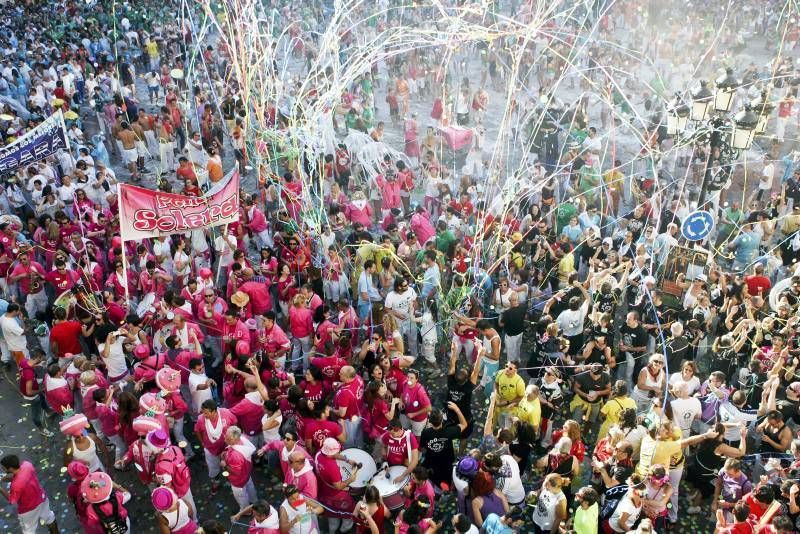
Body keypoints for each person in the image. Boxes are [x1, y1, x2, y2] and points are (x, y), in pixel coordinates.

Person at [0, 455, 58, 534]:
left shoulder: (16, 485)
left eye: (3, 467)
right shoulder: (27, 465)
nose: (2, 469)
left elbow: (12, 500)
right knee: (49, 517)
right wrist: (5, 479)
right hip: (41, 498)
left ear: (10, 468)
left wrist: (0, 489)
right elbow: (20, 476)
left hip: (28, 510)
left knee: (28, 531)